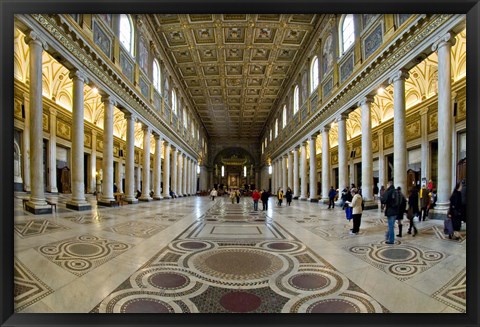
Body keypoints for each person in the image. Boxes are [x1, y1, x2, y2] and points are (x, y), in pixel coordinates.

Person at [381, 180, 400, 244]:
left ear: (389, 184)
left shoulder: (389, 191)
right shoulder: (396, 191)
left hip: (391, 211)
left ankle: (391, 240)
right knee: (391, 225)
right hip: (396, 210)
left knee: (391, 226)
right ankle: (387, 235)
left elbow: (383, 200)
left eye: (387, 185)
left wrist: (382, 197)